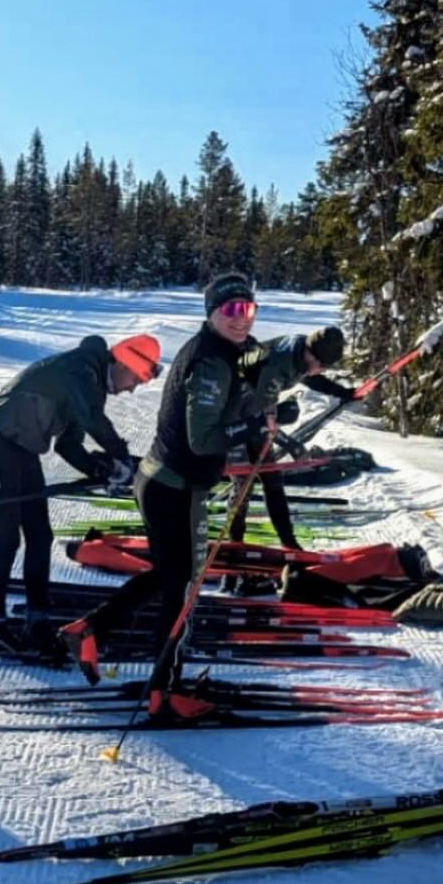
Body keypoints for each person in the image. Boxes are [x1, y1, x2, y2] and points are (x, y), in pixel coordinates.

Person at [63, 274, 266, 674]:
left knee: (168, 575)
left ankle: (89, 630)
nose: (241, 317)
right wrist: (254, 425)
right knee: (183, 586)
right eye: (231, 309)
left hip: (161, 481)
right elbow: (202, 440)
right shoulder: (210, 362)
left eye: (248, 309)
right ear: (212, 313)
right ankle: (164, 686)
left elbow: (260, 363)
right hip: (178, 489)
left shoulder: (224, 348)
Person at [0, 334, 161, 656]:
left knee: (40, 535)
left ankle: (37, 619)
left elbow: (68, 445)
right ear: (122, 363)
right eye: (135, 379)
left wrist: (100, 469)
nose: (132, 389)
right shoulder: (82, 368)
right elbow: (92, 419)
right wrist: (120, 455)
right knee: (7, 537)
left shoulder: (91, 384)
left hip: (23, 449)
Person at [225, 325, 355, 548]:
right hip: (231, 412)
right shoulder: (276, 367)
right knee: (244, 480)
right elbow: (263, 421)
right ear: (312, 355)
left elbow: (311, 378)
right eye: (321, 365)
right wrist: (293, 447)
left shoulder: (303, 351)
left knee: (272, 479)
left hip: (253, 408)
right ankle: (234, 541)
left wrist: (343, 392)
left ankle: (289, 542)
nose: (321, 370)